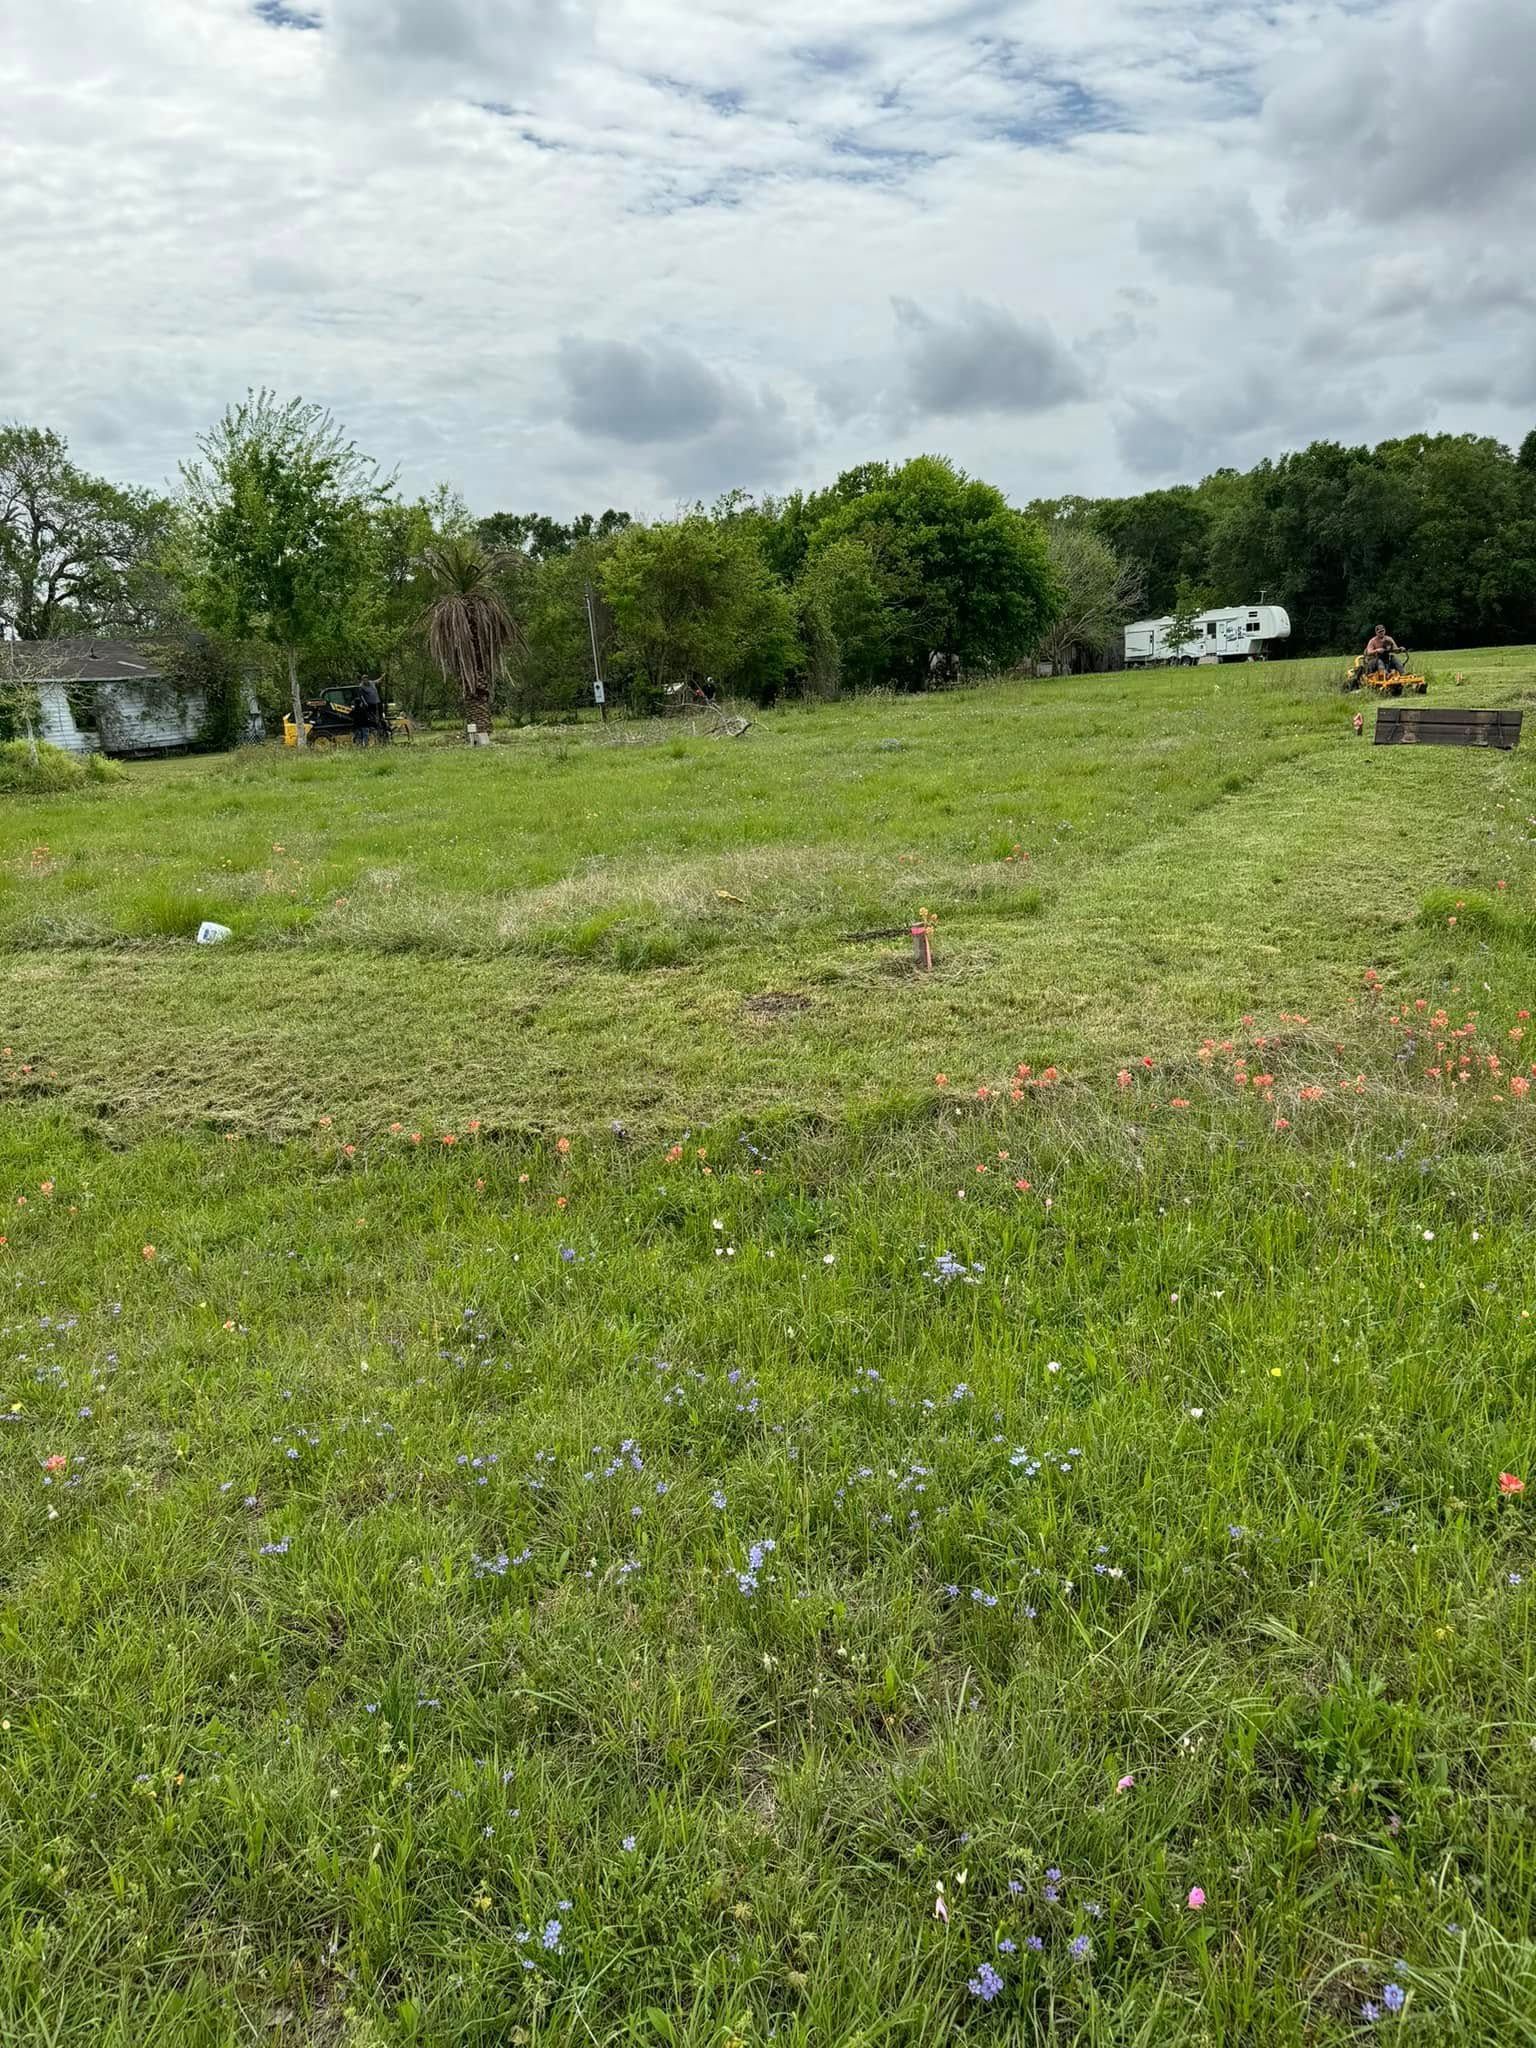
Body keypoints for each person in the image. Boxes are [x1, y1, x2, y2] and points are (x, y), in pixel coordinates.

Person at [352, 675, 383, 746]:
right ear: (362, 680)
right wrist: (365, 703)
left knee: (379, 715)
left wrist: (382, 676)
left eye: (366, 679)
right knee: (370, 717)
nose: (365, 681)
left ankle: (379, 721)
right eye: (364, 679)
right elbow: (361, 695)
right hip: (370, 704)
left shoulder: (371, 683)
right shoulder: (361, 686)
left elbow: (378, 680)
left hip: (377, 702)